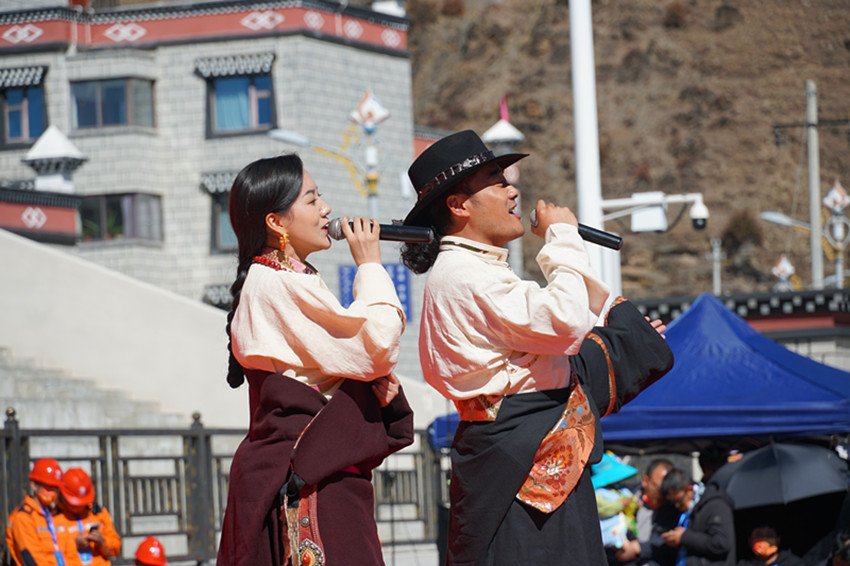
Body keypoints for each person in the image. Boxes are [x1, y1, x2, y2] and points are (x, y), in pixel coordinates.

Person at [400, 129, 674, 565]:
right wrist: (561, 237)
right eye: (496, 181)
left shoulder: (476, 270)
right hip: (522, 464)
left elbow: (559, 351)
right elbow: (566, 322)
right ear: (458, 205)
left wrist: (628, 341)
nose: (513, 190)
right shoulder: (464, 274)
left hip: (526, 455)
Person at [216, 154, 415, 566]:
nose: (326, 209)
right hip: (307, 470)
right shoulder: (275, 282)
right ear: (277, 222)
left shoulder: (290, 277)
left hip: (315, 464)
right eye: (311, 200)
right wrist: (370, 264)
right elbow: (377, 346)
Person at [6, 458, 83, 566]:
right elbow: (31, 559)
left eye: (55, 488)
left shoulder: (56, 514)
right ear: (33, 485)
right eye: (47, 487)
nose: (52, 492)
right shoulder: (24, 517)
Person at [660, 467, 735, 566]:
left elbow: (721, 543)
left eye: (679, 501)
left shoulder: (716, 504)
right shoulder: (686, 510)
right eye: (673, 502)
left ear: (689, 489)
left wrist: (684, 537)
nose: (677, 506)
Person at [615, 458, 679, 566]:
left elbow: (668, 543)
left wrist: (639, 548)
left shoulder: (673, 508)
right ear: (645, 481)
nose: (662, 494)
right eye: (658, 488)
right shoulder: (623, 497)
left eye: (666, 489)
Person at [55, 468, 121, 565]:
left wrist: (103, 543)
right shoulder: (53, 517)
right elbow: (46, 553)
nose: (79, 507)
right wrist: (73, 544)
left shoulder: (99, 513)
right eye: (75, 503)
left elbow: (116, 549)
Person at [737, 525, 802, 566]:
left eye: (769, 536)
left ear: (778, 540)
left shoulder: (793, 563)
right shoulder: (742, 564)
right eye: (759, 536)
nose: (764, 540)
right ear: (750, 541)